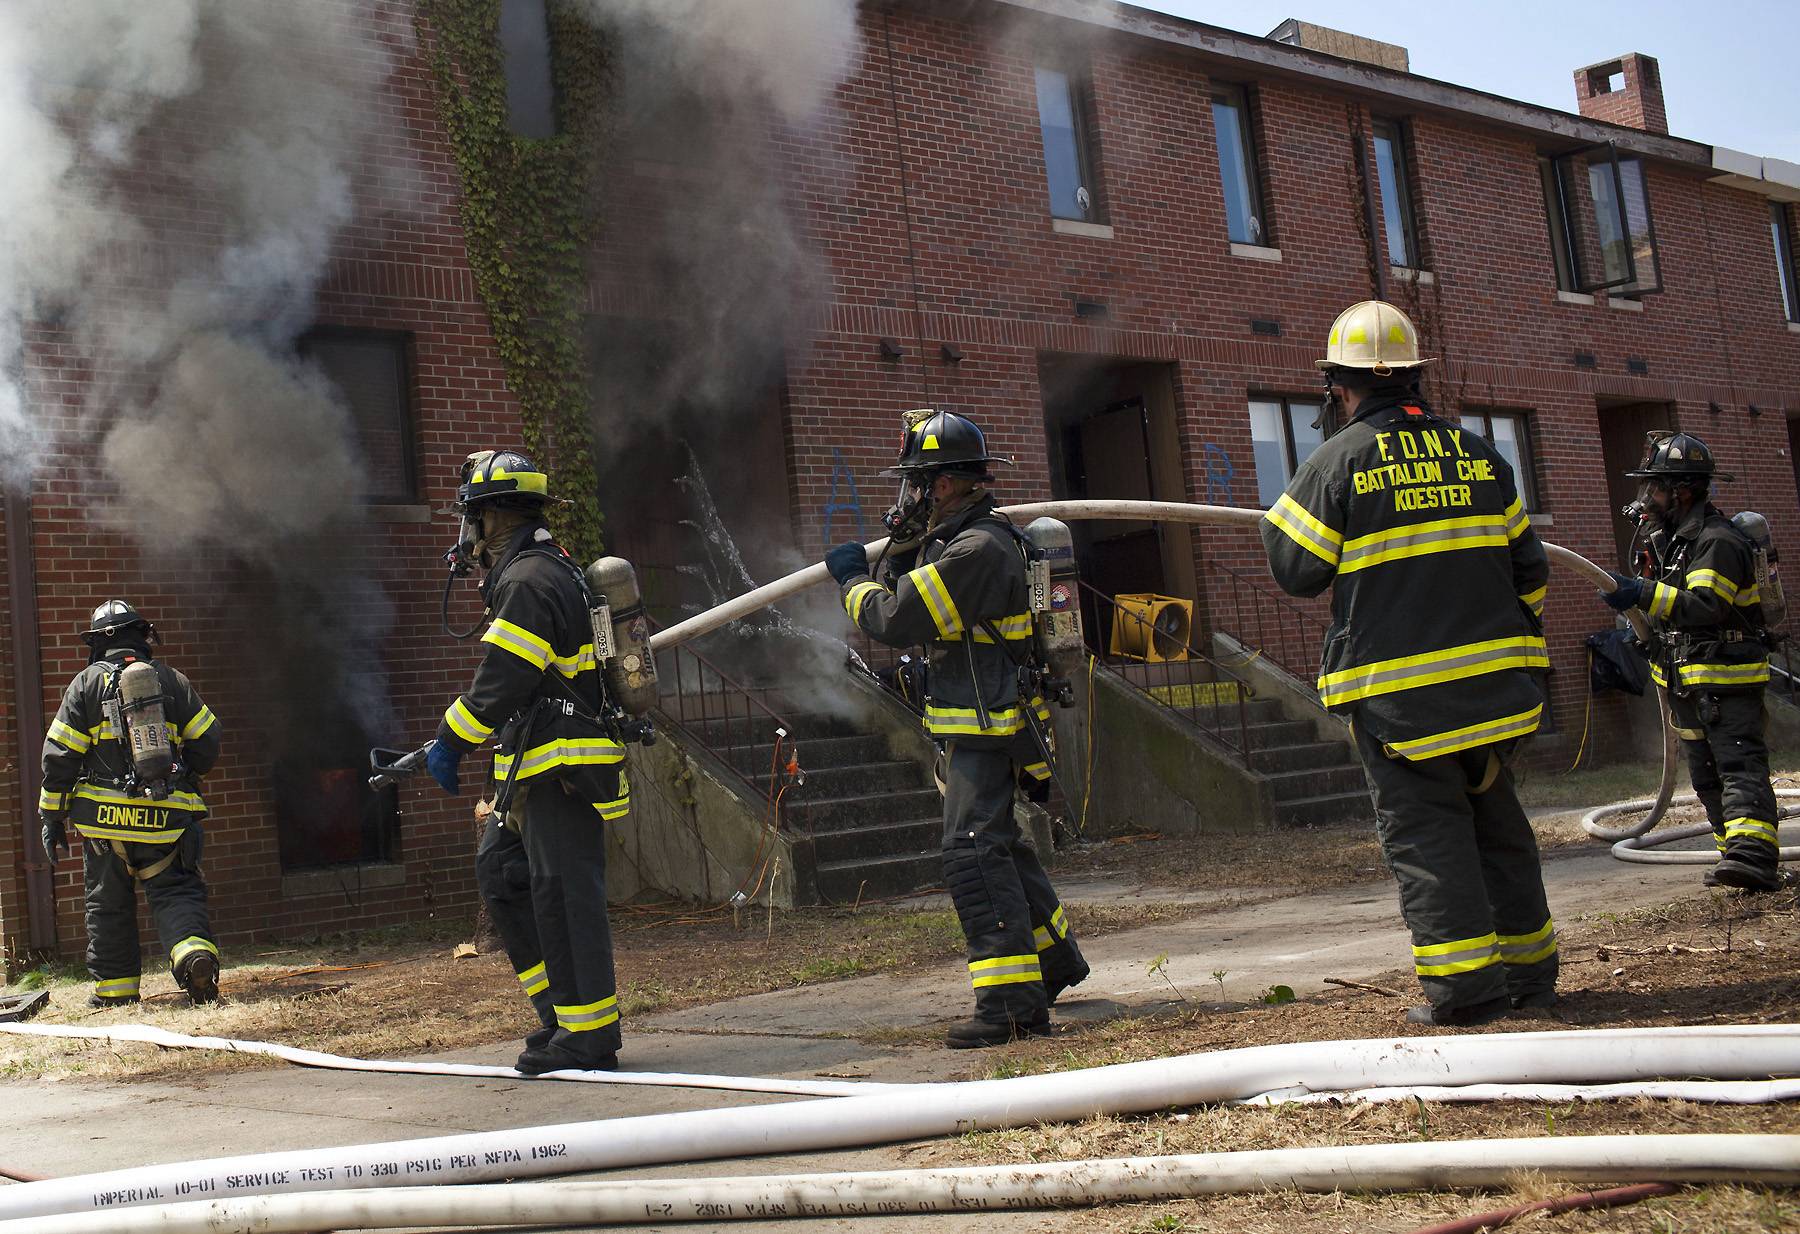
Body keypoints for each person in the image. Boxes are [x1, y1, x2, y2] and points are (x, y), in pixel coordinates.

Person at [1260, 301, 1558, 1027]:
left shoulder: (1337, 462)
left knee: (1430, 839)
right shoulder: (1481, 455)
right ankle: (1531, 979)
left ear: (1338, 386)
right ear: (1414, 375)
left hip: (1404, 705)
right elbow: (1530, 571)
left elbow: (1295, 569)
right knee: (1500, 828)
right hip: (1498, 694)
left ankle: (1468, 995)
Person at [826, 410, 1087, 1048]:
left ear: (942, 484)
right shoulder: (961, 541)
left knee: (973, 852)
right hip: (979, 721)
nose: (907, 496)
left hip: (986, 726)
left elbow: (894, 618)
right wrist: (901, 546)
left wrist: (852, 581)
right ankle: (1052, 961)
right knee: (999, 844)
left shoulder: (978, 550)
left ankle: (1009, 1006)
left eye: (915, 484)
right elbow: (916, 589)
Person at [429, 449, 629, 1075]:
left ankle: (589, 1036)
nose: (466, 534)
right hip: (535, 764)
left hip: (562, 768)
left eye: (470, 518)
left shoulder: (528, 580)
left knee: (564, 894)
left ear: (491, 518)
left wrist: (450, 739)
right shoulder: (537, 569)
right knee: (502, 873)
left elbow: (505, 678)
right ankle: (560, 1016)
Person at [1600, 432, 1782, 892]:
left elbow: (1705, 606)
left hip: (1726, 678)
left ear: (1681, 491)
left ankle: (1755, 857)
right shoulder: (1674, 542)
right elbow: (1673, 611)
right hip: (1687, 680)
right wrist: (1645, 632)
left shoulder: (1716, 540)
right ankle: (1733, 859)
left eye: (1654, 488)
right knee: (1705, 776)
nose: (1647, 498)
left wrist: (1641, 593)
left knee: (1737, 764)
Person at [38, 601, 222, 1007]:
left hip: (105, 828)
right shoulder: (171, 680)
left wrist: (51, 817)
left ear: (97, 643)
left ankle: (115, 994)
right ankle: (194, 956)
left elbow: (59, 755)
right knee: (176, 893)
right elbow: (208, 741)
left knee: (108, 907)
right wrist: (185, 773)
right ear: (141, 635)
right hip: (167, 822)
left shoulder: (85, 685)